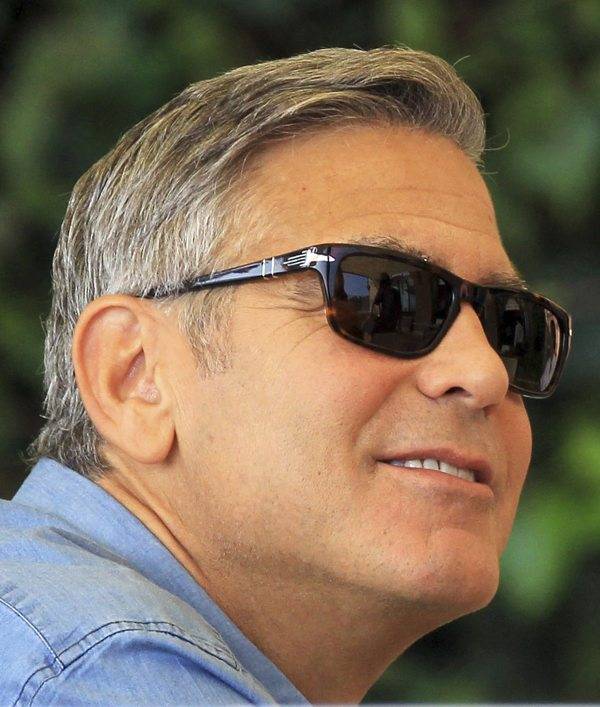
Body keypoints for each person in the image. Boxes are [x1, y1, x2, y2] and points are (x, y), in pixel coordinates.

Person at [0, 46, 572, 705]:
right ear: (134, 375)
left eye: (512, 327)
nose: (484, 371)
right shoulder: (96, 674)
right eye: (384, 299)